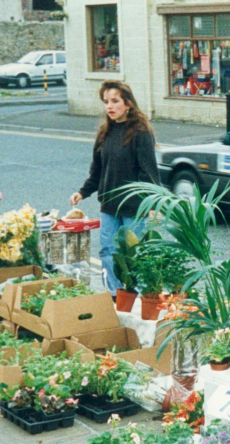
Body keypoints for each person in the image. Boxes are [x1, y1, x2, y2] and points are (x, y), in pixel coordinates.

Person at [70, 80, 160, 301]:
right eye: (106, 102)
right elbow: (97, 171)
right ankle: (115, 294)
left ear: (127, 104)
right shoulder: (104, 133)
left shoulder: (140, 132)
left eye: (115, 101)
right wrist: (83, 192)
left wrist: (152, 204)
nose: (109, 106)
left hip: (134, 207)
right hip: (109, 205)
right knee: (108, 251)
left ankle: (138, 296)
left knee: (134, 253)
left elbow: (149, 171)